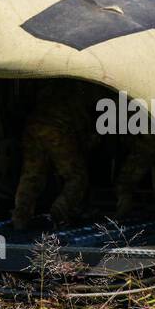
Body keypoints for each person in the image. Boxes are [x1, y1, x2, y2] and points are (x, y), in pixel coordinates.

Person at [12, 80, 103, 229]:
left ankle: (20, 217)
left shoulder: (52, 84)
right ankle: (58, 215)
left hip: (33, 127)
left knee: (31, 175)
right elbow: (82, 123)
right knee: (77, 176)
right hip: (57, 130)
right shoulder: (82, 90)